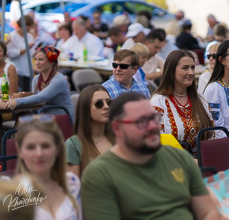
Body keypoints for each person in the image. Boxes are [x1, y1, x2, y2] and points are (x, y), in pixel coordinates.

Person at [81, 92, 219, 219]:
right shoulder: (100, 175)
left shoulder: (178, 157)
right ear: (117, 128)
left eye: (153, 118)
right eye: (141, 122)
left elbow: (208, 212)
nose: (152, 126)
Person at [15, 115, 81, 219]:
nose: (39, 154)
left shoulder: (72, 184)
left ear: (58, 149)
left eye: (45, 146)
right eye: (30, 147)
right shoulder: (12, 193)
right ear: (20, 151)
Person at [151, 50, 213, 149]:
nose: (191, 72)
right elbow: (155, 140)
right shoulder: (159, 101)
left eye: (193, 67)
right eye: (185, 68)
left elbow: (212, 134)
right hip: (173, 160)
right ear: (171, 70)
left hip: (202, 160)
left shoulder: (200, 99)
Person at [0, 46, 75, 119]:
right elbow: (34, 99)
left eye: (41, 60)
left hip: (62, 118)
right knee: (22, 115)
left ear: (51, 61)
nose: (37, 63)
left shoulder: (59, 80)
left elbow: (41, 97)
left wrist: (17, 101)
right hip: (45, 116)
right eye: (35, 59)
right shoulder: (36, 79)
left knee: (24, 119)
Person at [65, 85, 115, 177]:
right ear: (85, 109)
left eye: (109, 102)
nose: (106, 107)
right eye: (99, 104)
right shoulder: (73, 145)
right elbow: (74, 189)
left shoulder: (118, 138)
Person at [6, 15, 35, 91]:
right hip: (17, 70)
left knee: (27, 91)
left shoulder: (29, 36)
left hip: (28, 69)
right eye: (27, 25)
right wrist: (25, 49)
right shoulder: (12, 36)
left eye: (30, 26)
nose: (29, 28)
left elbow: (32, 53)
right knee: (18, 91)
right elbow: (10, 53)